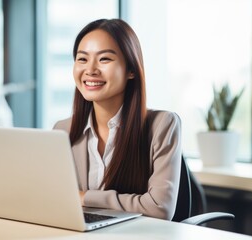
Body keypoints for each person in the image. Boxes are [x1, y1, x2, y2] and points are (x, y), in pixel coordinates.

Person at [53, 19, 182, 220]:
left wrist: (86, 197)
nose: (90, 70)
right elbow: (56, 198)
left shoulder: (162, 125)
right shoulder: (63, 130)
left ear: (131, 70)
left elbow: (159, 208)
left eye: (104, 59)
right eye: (82, 59)